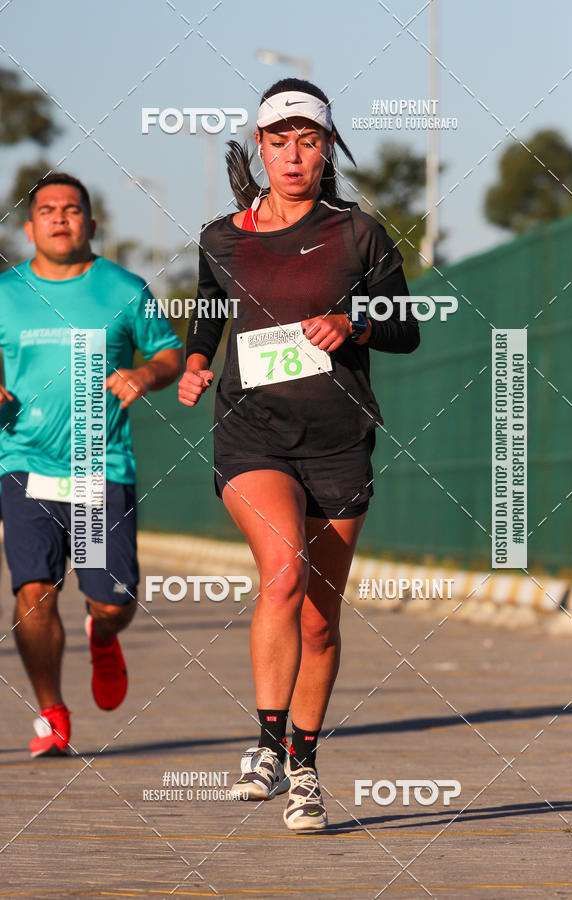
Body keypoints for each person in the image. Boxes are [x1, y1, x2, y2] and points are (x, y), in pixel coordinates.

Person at [179, 78, 420, 831]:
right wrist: (192, 362)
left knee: (320, 620)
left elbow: (406, 326)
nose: (292, 156)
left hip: (339, 441)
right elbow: (208, 319)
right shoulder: (222, 237)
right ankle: (265, 746)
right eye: (278, 142)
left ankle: (306, 765)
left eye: (307, 142)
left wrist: (351, 325)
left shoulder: (358, 235)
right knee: (282, 574)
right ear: (260, 148)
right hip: (251, 434)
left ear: (327, 151)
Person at [0, 173, 183, 757]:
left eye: (72, 209)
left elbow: (170, 352)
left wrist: (145, 374)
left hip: (97, 467)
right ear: (30, 228)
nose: (60, 218)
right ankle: (52, 712)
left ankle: (102, 637)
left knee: (111, 602)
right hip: (23, 461)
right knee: (33, 591)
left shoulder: (123, 289)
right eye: (48, 210)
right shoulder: (5, 293)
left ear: (91, 222)